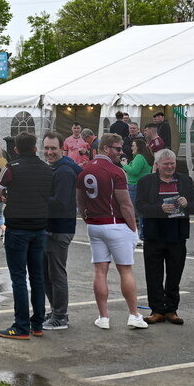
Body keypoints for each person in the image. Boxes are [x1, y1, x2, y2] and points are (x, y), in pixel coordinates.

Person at [76, 133, 149, 330]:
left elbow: (80, 200)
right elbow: (126, 205)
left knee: (100, 270)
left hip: (95, 225)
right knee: (125, 270)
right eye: (117, 149)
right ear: (106, 148)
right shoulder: (116, 172)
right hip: (115, 224)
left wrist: (86, 218)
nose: (120, 152)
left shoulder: (85, 170)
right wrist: (133, 230)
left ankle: (104, 317)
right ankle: (133, 314)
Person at [0, 131, 52, 339]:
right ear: (36, 148)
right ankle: (38, 323)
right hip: (39, 227)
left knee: (18, 277)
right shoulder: (47, 169)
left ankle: (21, 325)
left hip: (17, 227)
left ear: (16, 150)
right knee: (37, 276)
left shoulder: (11, 168)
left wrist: (8, 198)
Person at [136, 149, 194, 325]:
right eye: (166, 164)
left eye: (172, 163)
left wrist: (187, 204)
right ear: (157, 165)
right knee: (153, 275)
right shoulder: (146, 181)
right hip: (154, 236)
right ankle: (157, 310)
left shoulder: (185, 181)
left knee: (174, 275)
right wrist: (159, 209)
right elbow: (140, 206)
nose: (170, 167)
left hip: (177, 236)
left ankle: (172, 310)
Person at [41, 131, 81, 330]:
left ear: (61, 149)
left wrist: (37, 198)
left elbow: (61, 202)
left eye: (53, 148)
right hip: (51, 228)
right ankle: (55, 310)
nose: (49, 152)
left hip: (59, 229)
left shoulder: (64, 171)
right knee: (47, 273)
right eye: (46, 148)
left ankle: (60, 316)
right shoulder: (56, 167)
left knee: (56, 274)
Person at [122, 138, 154, 243]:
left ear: (138, 147)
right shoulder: (143, 157)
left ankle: (142, 235)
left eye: (133, 145)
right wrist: (127, 164)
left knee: (136, 211)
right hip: (143, 186)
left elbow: (134, 171)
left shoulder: (139, 157)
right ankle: (143, 234)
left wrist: (124, 165)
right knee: (140, 211)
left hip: (135, 186)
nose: (131, 147)